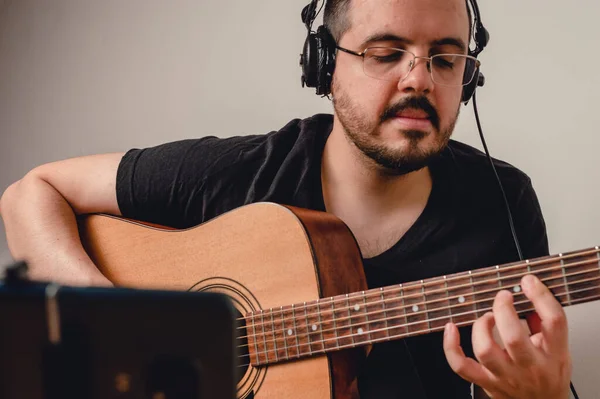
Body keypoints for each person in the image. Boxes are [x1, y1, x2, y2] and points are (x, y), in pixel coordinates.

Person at [0, 0, 572, 398]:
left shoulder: (502, 202)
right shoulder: (239, 173)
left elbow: (522, 371)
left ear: (468, 78)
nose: (420, 79)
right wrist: (118, 325)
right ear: (323, 66)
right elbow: (32, 194)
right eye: (386, 52)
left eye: (445, 58)